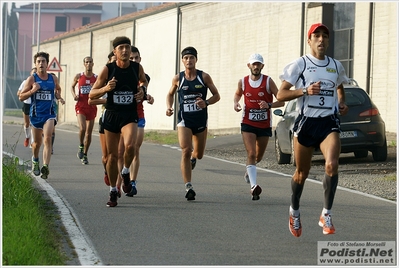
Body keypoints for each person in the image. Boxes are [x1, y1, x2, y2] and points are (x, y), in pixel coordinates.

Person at [276, 23, 349, 237]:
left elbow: (340, 87)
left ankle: (326, 214)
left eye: (325, 36)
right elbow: (280, 95)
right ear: (309, 40)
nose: (321, 39)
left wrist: (342, 103)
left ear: (328, 40)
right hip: (306, 123)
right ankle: (294, 210)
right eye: (316, 36)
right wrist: (305, 91)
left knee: (332, 165)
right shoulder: (300, 64)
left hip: (328, 123)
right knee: (302, 174)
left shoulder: (335, 65)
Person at [89, 36, 147, 207]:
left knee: (130, 146)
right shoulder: (108, 69)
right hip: (112, 114)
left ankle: (126, 172)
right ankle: (113, 190)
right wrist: (106, 88)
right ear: (115, 51)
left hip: (129, 114)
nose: (124, 50)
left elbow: (144, 81)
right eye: (121, 47)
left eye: (127, 47)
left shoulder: (137, 67)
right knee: (111, 158)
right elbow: (92, 94)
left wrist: (142, 90)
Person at [166, 46, 220, 201]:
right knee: (186, 149)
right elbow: (169, 94)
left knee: (199, 154)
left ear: (196, 60)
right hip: (184, 120)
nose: (189, 60)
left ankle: (194, 159)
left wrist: (206, 102)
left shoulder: (204, 77)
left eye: (191, 57)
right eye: (186, 58)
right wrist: (169, 107)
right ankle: (188, 186)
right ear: (182, 61)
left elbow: (217, 95)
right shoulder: (178, 78)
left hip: (200, 120)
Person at [233, 53, 284, 201]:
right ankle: (254, 187)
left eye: (258, 64)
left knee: (258, 156)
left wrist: (269, 105)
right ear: (249, 65)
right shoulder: (243, 81)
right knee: (251, 153)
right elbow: (237, 94)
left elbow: (281, 101)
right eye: (253, 64)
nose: (256, 67)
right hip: (248, 122)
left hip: (264, 124)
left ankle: (249, 171)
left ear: (262, 66)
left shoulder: (268, 82)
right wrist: (236, 103)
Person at [18, 51, 63, 179]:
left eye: (43, 61)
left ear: (47, 64)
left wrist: (58, 96)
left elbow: (58, 88)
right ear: (35, 64)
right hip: (36, 115)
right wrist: (33, 90)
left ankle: (46, 167)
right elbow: (21, 96)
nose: (41, 63)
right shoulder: (32, 79)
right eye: (38, 61)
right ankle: (35, 159)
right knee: (37, 144)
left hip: (49, 114)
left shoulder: (53, 78)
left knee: (48, 138)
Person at [123, 45, 155, 197]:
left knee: (135, 148)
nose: (134, 60)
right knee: (123, 150)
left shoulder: (144, 77)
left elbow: (144, 90)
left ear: (140, 60)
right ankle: (123, 174)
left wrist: (147, 97)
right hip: (122, 117)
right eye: (131, 58)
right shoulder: (120, 74)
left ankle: (133, 182)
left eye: (136, 58)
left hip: (138, 116)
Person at [71, 56, 98, 164]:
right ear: (84, 64)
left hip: (91, 107)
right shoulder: (79, 76)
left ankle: (85, 154)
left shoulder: (96, 78)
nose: (89, 64)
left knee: (89, 133)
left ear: (93, 64)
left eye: (90, 62)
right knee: (82, 128)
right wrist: (74, 95)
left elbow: (101, 89)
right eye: (87, 62)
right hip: (81, 106)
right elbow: (72, 87)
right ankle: (81, 145)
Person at [17, 67, 37, 147]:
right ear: (30, 74)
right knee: (27, 123)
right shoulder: (25, 82)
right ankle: (27, 137)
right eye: (33, 73)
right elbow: (19, 93)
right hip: (26, 104)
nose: (34, 74)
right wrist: (25, 93)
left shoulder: (38, 83)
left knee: (33, 124)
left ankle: (32, 142)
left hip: (35, 105)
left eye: (36, 73)